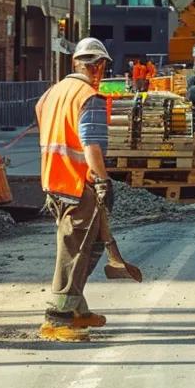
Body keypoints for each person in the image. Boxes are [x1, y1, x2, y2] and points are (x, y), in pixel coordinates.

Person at [35, 38, 144, 342]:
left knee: (89, 246)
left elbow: (40, 112)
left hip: (53, 180)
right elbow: (90, 144)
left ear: (75, 63)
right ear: (99, 67)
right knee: (74, 251)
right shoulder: (89, 96)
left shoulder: (52, 94)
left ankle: (76, 308)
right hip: (78, 182)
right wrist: (102, 180)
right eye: (102, 67)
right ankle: (56, 319)